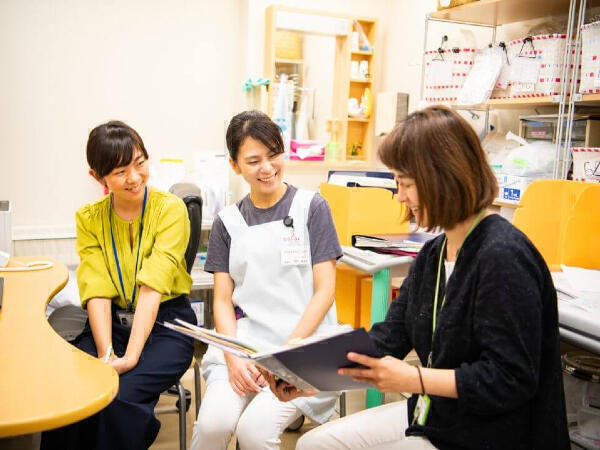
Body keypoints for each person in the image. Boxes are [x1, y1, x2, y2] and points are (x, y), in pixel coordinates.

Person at [272, 105, 569, 449]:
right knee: (314, 445)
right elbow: (386, 340)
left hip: (491, 433)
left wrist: (414, 378)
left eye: (407, 183)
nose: (400, 196)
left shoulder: (502, 256)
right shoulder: (434, 254)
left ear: (444, 176)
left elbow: (510, 379)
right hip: (438, 414)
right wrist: (309, 376)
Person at [190, 110, 342, 450]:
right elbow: (222, 300)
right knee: (213, 425)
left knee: (254, 432)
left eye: (274, 155)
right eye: (254, 160)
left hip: (302, 346)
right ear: (235, 165)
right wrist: (233, 357)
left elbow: (326, 291)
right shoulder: (227, 222)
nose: (268, 168)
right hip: (245, 345)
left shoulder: (312, 208)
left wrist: (284, 357)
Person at [41, 120, 197, 450]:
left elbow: (152, 287)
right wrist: (107, 353)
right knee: (71, 392)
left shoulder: (170, 211)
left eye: (140, 163)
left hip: (168, 326)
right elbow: (97, 290)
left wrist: (130, 358)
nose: (135, 177)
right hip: (110, 324)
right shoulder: (89, 218)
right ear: (98, 177)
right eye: (121, 171)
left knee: (117, 398)